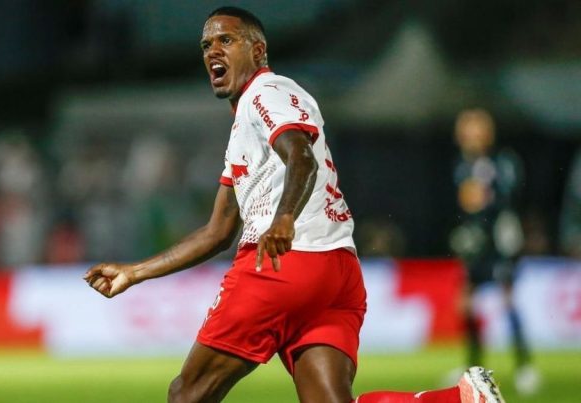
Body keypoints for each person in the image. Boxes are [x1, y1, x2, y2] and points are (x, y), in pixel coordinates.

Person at [85, 7, 505, 403]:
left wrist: (284, 218)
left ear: (258, 50)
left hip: (282, 264)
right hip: (336, 271)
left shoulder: (266, 92)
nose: (212, 50)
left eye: (226, 40)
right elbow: (217, 232)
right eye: (206, 45)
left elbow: (300, 155)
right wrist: (134, 272)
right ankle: (460, 397)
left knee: (187, 394)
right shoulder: (245, 126)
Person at [448, 108, 538, 395]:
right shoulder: (462, 165)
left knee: (508, 300)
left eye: (473, 131)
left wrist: (486, 199)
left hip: (500, 241)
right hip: (476, 243)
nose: (468, 137)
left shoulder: (502, 161)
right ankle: (473, 368)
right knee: (467, 304)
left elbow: (508, 196)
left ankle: (524, 366)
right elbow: (465, 204)